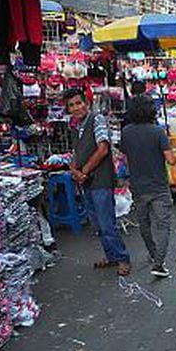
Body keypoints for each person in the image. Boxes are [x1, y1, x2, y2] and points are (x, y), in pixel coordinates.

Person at [64, 87, 131, 276]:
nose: (76, 108)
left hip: (100, 179)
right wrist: (74, 169)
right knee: (97, 223)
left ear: (86, 103)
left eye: (78, 103)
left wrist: (83, 171)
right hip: (86, 181)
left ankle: (122, 258)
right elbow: (77, 152)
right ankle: (111, 256)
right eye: (71, 105)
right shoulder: (76, 125)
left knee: (106, 222)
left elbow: (102, 149)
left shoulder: (96, 119)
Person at [119, 95, 176, 278]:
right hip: (158, 185)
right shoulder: (157, 132)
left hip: (138, 185)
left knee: (145, 224)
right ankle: (159, 263)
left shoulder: (126, 132)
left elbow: (125, 157)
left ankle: (153, 254)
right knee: (163, 226)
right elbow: (171, 160)